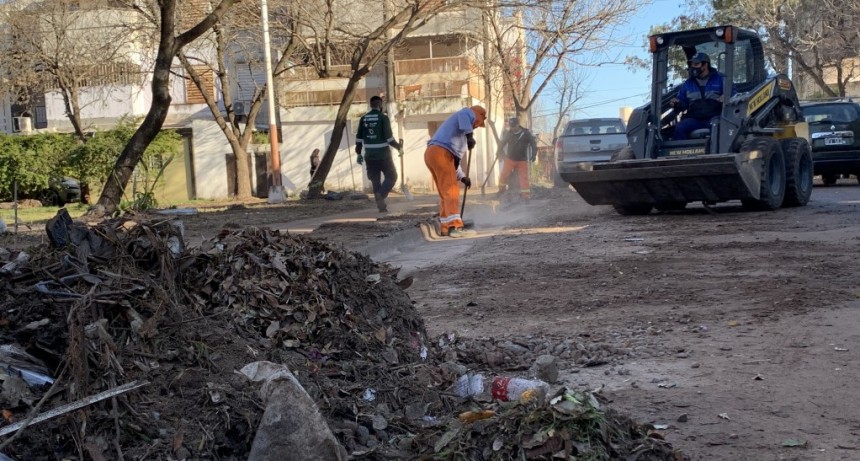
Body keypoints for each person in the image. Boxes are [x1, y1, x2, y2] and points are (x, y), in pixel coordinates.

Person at [424, 105, 486, 238]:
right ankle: (455, 226)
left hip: (433, 154)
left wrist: (462, 177)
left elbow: (453, 162)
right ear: (479, 116)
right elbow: (464, 114)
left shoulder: (460, 135)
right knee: (452, 191)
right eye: (478, 124)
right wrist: (470, 136)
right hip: (440, 153)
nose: (476, 127)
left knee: (445, 192)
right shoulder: (467, 113)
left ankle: (445, 226)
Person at [355, 96, 402, 212]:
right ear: (380, 105)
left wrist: (358, 154)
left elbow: (359, 138)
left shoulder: (364, 119)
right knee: (392, 176)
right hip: (383, 155)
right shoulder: (383, 118)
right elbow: (389, 139)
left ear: (371, 105)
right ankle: (381, 194)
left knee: (375, 180)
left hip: (369, 157)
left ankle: (381, 206)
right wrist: (399, 147)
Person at [669, 52, 729, 140]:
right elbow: (682, 102)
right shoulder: (687, 84)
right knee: (680, 127)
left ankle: (717, 153)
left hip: (715, 117)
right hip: (694, 119)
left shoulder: (721, 79)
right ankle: (682, 152)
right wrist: (677, 103)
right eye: (691, 64)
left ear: (705, 65)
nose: (693, 67)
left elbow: (733, 95)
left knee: (719, 125)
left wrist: (726, 97)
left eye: (696, 64)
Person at [497, 117, 537, 202]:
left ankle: (526, 196)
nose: (512, 128)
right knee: (504, 175)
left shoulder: (526, 133)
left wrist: (534, 154)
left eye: (514, 126)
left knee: (524, 178)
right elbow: (502, 143)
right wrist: (498, 152)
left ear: (518, 125)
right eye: (511, 127)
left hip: (522, 161)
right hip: (510, 159)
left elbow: (533, 143)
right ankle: (501, 190)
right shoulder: (509, 133)